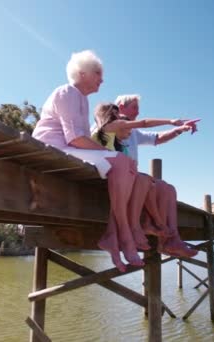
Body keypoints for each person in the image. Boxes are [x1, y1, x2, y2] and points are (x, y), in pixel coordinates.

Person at [32, 51, 142, 272]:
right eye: (98, 73)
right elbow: (75, 138)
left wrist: (112, 156)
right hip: (54, 148)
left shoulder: (81, 98)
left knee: (128, 165)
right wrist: (107, 152)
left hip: (69, 148)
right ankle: (123, 236)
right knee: (121, 162)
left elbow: (79, 140)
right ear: (82, 73)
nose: (102, 79)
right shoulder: (67, 92)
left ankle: (114, 235)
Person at [115, 94, 198, 257]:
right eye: (134, 108)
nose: (137, 112)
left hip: (132, 176)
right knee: (148, 182)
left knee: (168, 189)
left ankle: (171, 240)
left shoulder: (133, 132)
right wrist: (172, 121)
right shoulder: (108, 125)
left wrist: (179, 130)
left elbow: (157, 138)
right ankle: (157, 228)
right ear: (121, 107)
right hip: (117, 175)